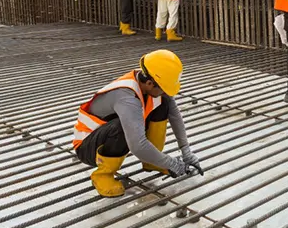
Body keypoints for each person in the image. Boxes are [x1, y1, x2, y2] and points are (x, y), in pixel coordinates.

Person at [72, 50, 203, 197]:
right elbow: (138, 146)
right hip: (88, 147)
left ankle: (153, 162)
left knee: (163, 104)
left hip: (110, 135)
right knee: (121, 126)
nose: (165, 93)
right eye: (164, 89)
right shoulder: (127, 98)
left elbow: (174, 114)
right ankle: (103, 175)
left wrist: (186, 151)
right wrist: (172, 163)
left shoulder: (149, 81)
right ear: (149, 83)